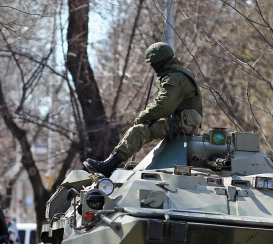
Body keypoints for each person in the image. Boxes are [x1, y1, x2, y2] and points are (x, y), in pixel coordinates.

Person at [84, 42, 203, 178]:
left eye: (153, 63)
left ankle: (109, 166)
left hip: (181, 125)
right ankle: (110, 163)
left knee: (137, 132)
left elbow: (163, 106)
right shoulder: (177, 73)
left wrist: (143, 117)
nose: (152, 66)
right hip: (182, 121)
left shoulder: (175, 78)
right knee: (141, 130)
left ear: (160, 62)